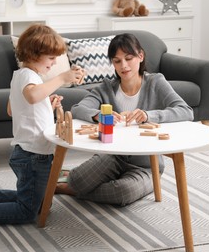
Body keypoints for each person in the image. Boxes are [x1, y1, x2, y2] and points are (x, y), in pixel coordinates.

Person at [0, 24, 85, 236]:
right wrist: (62, 79)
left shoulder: (21, 76)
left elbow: (13, 109)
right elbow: (30, 97)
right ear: (34, 53)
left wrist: (45, 102)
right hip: (34, 155)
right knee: (28, 211)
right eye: (51, 58)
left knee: (41, 204)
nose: (55, 62)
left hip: (29, 152)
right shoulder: (29, 77)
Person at [55, 33, 194, 206]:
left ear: (140, 56)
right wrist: (98, 115)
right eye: (117, 61)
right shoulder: (105, 88)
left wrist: (149, 115)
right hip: (112, 158)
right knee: (76, 179)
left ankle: (70, 190)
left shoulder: (156, 82)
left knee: (122, 193)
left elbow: (186, 111)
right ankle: (75, 184)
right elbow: (77, 109)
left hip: (145, 167)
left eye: (129, 58)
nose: (124, 65)